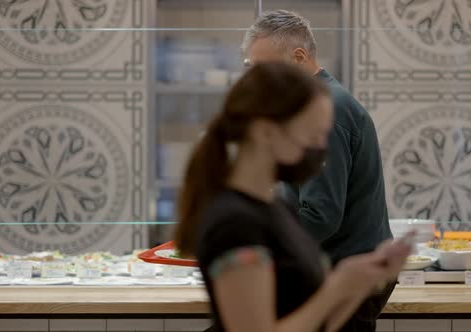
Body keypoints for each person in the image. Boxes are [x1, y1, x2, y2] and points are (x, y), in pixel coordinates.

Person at [174, 62, 412, 332]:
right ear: (266, 132)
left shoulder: (279, 208)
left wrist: (360, 281)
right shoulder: (235, 224)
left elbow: (320, 322)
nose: (322, 147)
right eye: (312, 134)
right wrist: (337, 287)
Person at [241, 10, 395, 331]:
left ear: (299, 58)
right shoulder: (313, 104)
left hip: (347, 274)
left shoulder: (325, 110)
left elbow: (320, 214)